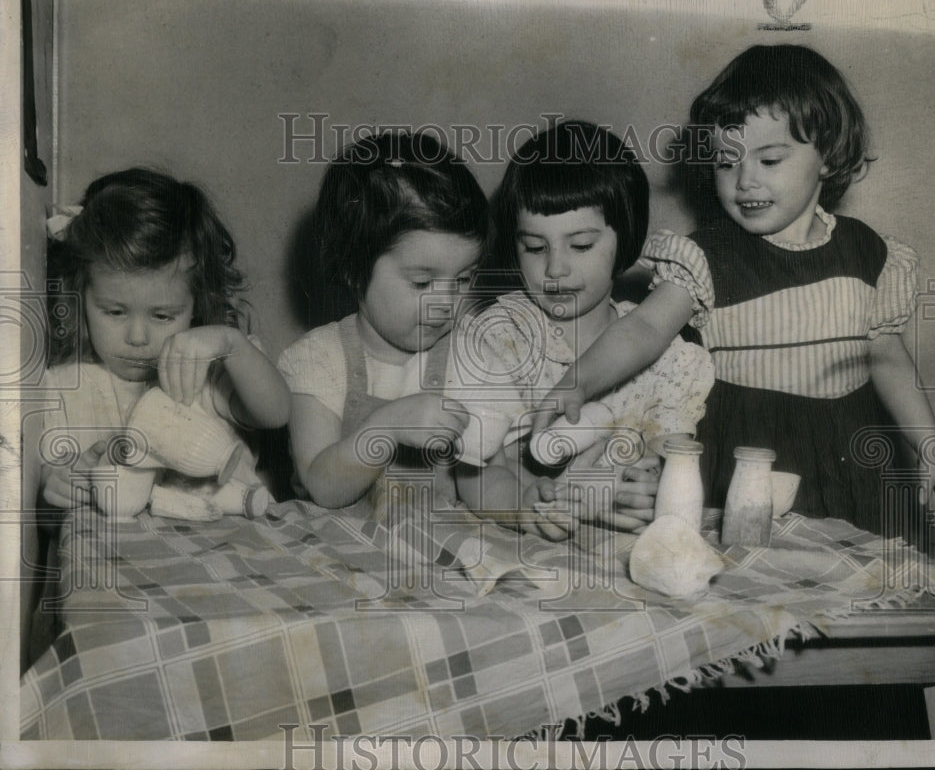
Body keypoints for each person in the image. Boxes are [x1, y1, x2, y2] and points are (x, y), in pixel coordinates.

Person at [532, 46, 935, 537]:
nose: (744, 181)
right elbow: (645, 327)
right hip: (737, 466)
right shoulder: (705, 257)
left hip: (850, 470)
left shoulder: (868, 254)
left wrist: (930, 450)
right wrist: (579, 380)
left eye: (770, 158)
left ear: (829, 155)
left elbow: (889, 360)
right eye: (725, 162)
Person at [22, 167, 290, 666]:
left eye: (163, 316)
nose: (139, 338)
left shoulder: (210, 369)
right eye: (115, 312)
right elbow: (45, 502)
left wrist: (229, 344)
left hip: (234, 576)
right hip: (127, 604)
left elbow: (275, 413)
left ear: (197, 305)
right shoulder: (63, 387)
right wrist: (53, 492)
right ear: (79, 297)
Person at [453, 120, 714, 540]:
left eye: (580, 246)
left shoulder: (667, 359)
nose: (555, 268)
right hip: (522, 547)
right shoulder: (499, 339)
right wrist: (524, 510)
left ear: (623, 240)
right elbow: (474, 476)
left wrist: (645, 487)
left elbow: (672, 468)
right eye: (535, 248)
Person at [278, 132, 495, 519]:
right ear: (353, 271)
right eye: (422, 283)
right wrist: (387, 427)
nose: (445, 303)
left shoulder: (467, 356)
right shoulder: (318, 359)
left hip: (431, 549)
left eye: (463, 279)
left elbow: (486, 477)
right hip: (334, 549)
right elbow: (321, 485)